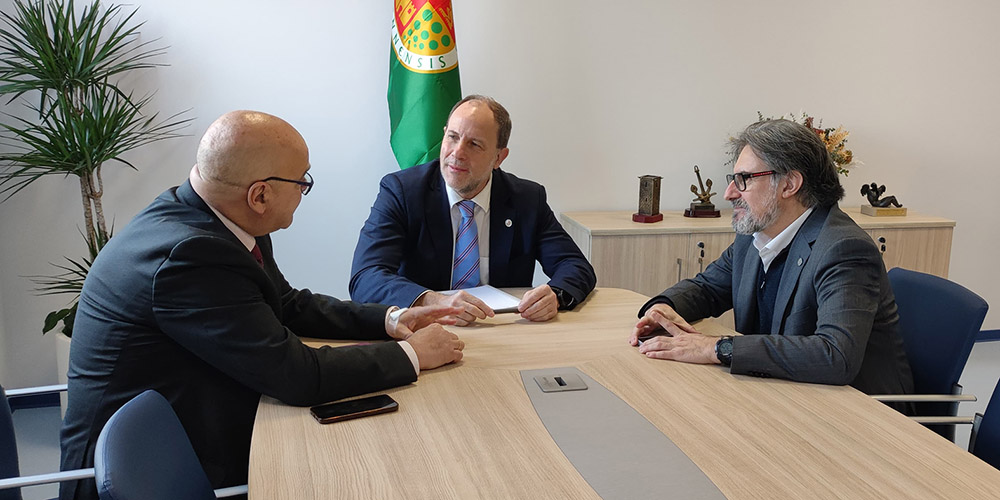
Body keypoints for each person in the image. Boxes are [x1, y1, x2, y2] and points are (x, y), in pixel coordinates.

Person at [59, 111, 465, 500]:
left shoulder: (216, 216)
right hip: (156, 471)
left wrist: (391, 320)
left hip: (195, 418)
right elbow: (295, 376)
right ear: (260, 195)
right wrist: (412, 354)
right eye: (302, 181)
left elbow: (286, 305)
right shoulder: (191, 256)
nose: (304, 190)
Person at [629, 119, 913, 399]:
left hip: (861, 414)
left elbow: (835, 356)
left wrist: (715, 348)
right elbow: (707, 288)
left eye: (743, 180)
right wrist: (664, 307)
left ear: (789, 184)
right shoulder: (756, 234)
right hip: (782, 393)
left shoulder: (844, 249)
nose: (729, 193)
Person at [350, 95, 596, 325]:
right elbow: (366, 275)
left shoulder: (526, 199)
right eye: (453, 137)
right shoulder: (402, 191)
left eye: (474, 144)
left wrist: (555, 294)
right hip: (425, 330)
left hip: (502, 331)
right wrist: (433, 301)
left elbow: (574, 265)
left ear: (499, 157)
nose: (457, 153)